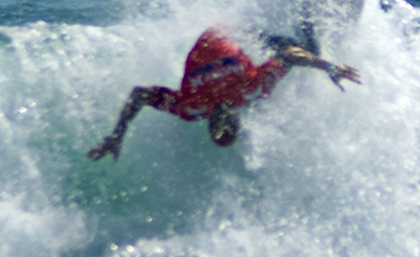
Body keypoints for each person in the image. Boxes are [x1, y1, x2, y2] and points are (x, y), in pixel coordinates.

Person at [87, 27, 361, 159]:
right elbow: (141, 94)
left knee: (303, 48)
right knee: (286, 60)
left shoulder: (250, 90)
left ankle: (308, 22)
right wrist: (117, 133)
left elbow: (289, 54)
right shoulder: (191, 107)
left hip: (239, 30)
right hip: (215, 33)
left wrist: (329, 65)